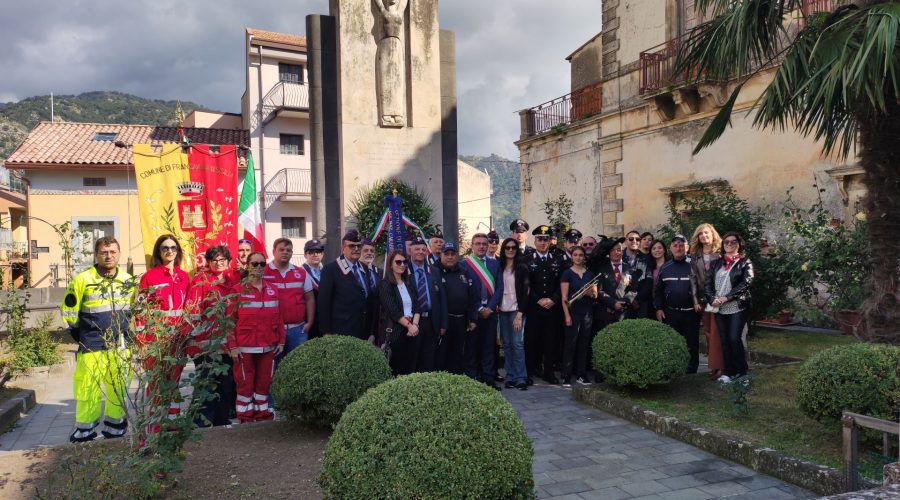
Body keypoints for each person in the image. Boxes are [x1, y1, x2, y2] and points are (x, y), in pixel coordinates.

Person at [60, 236, 134, 442]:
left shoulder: (128, 281)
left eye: (112, 252)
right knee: (87, 387)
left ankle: (116, 426)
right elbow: (68, 312)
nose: (108, 256)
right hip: (92, 344)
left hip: (120, 344)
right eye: (104, 252)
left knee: (118, 387)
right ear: (96, 254)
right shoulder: (83, 279)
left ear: (118, 254)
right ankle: (85, 430)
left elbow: (134, 311)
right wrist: (82, 336)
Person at [227, 251, 284, 423]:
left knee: (264, 384)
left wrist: (281, 341)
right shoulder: (237, 290)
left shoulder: (273, 290)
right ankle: (245, 417)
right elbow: (229, 322)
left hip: (268, 347)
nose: (258, 267)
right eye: (254, 264)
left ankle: (263, 416)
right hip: (245, 348)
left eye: (262, 264)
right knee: (245, 385)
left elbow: (280, 318)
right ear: (247, 266)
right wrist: (233, 346)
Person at [138, 234, 190, 421]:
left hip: (178, 339)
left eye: (173, 248)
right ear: (158, 252)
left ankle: (173, 422)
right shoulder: (149, 277)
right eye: (165, 248)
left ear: (178, 251)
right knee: (156, 382)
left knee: (174, 382)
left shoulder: (184, 277)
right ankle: (156, 424)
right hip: (156, 340)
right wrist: (143, 343)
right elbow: (140, 311)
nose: (169, 251)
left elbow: (188, 308)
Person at [184, 245, 238, 427]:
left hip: (228, 344)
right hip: (205, 344)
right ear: (208, 262)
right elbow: (193, 311)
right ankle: (201, 422)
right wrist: (193, 341)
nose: (218, 263)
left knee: (225, 384)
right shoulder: (201, 281)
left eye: (222, 260)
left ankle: (221, 421)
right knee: (205, 384)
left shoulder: (234, 281)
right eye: (214, 260)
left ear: (229, 262)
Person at [706, 232, 754, 384]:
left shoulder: (745, 262)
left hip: (737, 306)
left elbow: (746, 282)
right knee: (724, 340)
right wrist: (712, 298)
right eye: (726, 242)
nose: (729, 244)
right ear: (723, 245)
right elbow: (707, 283)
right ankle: (728, 372)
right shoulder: (716, 263)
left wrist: (727, 297)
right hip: (719, 308)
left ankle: (741, 372)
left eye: (733, 242)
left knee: (734, 338)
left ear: (739, 244)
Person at [523, 225, 565, 385]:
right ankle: (529, 371)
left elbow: (562, 283)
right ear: (535, 241)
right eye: (540, 239)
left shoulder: (558, 260)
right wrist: (537, 300)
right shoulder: (527, 260)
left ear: (550, 242)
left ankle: (549, 372)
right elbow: (525, 285)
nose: (542, 243)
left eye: (545, 239)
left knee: (551, 341)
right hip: (534, 308)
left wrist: (553, 299)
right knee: (531, 341)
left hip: (552, 308)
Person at [654, 235, 702, 373]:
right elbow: (658, 291)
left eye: (681, 245)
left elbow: (702, 287)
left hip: (691, 313)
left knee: (692, 343)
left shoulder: (694, 265)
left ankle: (692, 371)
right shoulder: (665, 267)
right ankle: (674, 369)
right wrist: (658, 308)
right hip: (671, 312)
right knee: (673, 342)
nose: (678, 248)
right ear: (670, 248)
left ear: (687, 248)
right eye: (675, 245)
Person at [462, 233, 503, 389]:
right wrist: (479, 308)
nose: (481, 246)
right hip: (474, 313)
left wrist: (490, 308)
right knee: (471, 347)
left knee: (488, 347)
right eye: (477, 243)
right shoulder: (464, 264)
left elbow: (500, 288)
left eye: (484, 244)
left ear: (488, 246)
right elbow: (465, 290)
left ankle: (488, 379)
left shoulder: (494, 265)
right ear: (472, 246)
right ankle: (471, 379)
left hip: (491, 313)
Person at [264, 238, 315, 357]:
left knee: (296, 367)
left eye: (288, 250)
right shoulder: (264, 272)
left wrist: (310, 322)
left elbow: (310, 299)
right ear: (273, 252)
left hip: (297, 329)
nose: (285, 252)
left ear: (292, 253)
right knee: (274, 366)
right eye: (281, 249)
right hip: (272, 329)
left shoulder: (301, 273)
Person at [317, 229, 371, 339]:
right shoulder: (331, 269)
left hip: (362, 330)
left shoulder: (364, 268)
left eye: (358, 246)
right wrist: (326, 332)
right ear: (343, 249)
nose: (356, 249)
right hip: (341, 331)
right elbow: (323, 303)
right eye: (352, 246)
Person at [436, 242, 479, 374]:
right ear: (441, 255)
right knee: (441, 354)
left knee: (458, 354)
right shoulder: (434, 271)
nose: (450, 257)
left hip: (461, 321)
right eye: (446, 254)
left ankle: (456, 381)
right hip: (443, 321)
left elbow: (472, 297)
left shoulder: (464, 272)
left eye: (453, 254)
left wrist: (473, 319)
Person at [377, 250, 421, 375]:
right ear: (391, 264)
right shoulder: (385, 285)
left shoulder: (408, 283)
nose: (402, 265)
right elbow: (393, 311)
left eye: (404, 262)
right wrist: (409, 325)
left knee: (411, 369)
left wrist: (415, 326)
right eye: (398, 262)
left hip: (412, 333)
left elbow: (417, 306)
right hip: (396, 333)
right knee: (395, 370)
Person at [690, 223, 725, 380]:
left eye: (706, 233)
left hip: (718, 299)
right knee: (709, 333)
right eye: (701, 234)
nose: (704, 236)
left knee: (718, 332)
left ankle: (721, 366)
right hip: (703, 300)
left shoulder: (720, 253)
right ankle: (714, 365)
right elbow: (693, 278)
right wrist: (695, 299)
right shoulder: (695, 255)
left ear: (712, 235)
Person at [408, 235, 447, 372]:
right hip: (411, 322)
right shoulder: (403, 270)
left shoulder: (434, 271)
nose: (420, 252)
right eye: (417, 249)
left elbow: (442, 298)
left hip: (431, 320)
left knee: (429, 357)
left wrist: (443, 323)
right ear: (410, 251)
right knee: (412, 357)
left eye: (423, 249)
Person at [560, 245, 597, 386]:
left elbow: (595, 295)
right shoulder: (567, 273)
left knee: (583, 344)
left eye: (581, 255)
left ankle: (581, 374)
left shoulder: (590, 273)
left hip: (587, 312)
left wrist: (590, 293)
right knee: (570, 344)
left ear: (584, 257)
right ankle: (566, 375)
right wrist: (567, 316)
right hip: (572, 312)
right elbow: (564, 297)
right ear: (572, 256)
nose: (578, 257)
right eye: (575, 255)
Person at [498, 237, 529, 390]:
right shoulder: (499, 266)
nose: (510, 250)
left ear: (517, 250)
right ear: (503, 250)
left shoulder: (522, 268)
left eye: (513, 248)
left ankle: (521, 377)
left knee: (517, 344)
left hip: (517, 311)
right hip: (502, 311)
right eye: (507, 248)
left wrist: (520, 314)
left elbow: (525, 293)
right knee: (507, 345)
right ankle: (510, 376)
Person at [360, 238, 382, 343]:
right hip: (360, 321)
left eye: (372, 251)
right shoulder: (354, 272)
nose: (369, 253)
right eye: (366, 250)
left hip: (376, 321)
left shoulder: (380, 272)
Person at [302, 239, 325, 339]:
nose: (315, 254)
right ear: (305, 255)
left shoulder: (327, 271)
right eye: (311, 252)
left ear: (322, 254)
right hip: (308, 321)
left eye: (318, 252)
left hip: (325, 321)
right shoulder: (300, 273)